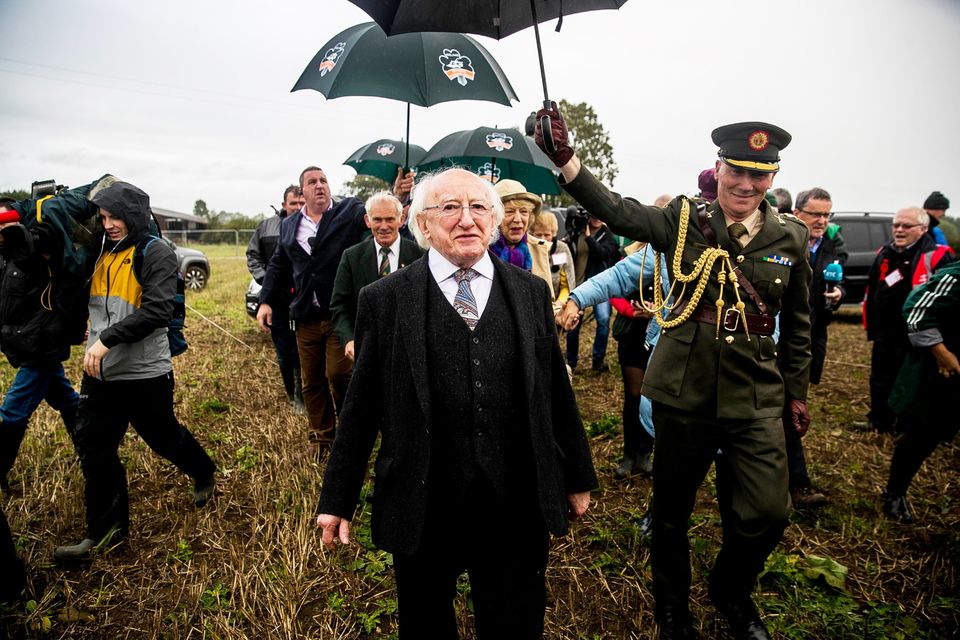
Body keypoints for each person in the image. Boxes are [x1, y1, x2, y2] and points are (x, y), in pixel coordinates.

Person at [535, 107, 812, 640]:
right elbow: (617, 211)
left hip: (755, 396)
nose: (747, 184)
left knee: (769, 512)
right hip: (684, 391)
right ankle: (671, 609)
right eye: (738, 171)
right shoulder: (685, 221)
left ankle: (731, 590)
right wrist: (566, 160)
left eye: (760, 175)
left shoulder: (791, 238)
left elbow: (797, 325)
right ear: (720, 168)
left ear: (773, 178)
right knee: (671, 512)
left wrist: (795, 395)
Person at [315, 168, 597, 639]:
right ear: (422, 224)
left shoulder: (528, 292)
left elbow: (553, 394)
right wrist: (337, 498)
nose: (467, 219)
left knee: (515, 620)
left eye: (479, 207)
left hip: (515, 498)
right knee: (425, 623)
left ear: (493, 219)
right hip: (424, 499)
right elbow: (361, 407)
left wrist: (576, 476)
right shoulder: (383, 300)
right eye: (449, 207)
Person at [55, 181, 216, 561]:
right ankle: (105, 531)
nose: (108, 224)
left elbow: (158, 310)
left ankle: (203, 470)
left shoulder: (154, 252)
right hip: (101, 373)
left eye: (115, 217)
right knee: (94, 448)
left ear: (134, 216)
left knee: (163, 437)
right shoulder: (98, 251)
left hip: (144, 373)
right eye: (104, 217)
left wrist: (107, 338)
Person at [257, 166, 367, 458]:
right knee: (312, 382)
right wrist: (265, 301)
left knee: (339, 374)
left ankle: (350, 432)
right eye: (312, 182)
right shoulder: (291, 224)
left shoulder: (350, 212)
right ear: (301, 191)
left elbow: (383, 218)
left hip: (339, 313)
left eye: (323, 181)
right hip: (305, 315)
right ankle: (322, 438)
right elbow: (279, 264)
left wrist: (400, 193)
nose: (319, 186)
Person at [558, 241, 668, 480]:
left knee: (654, 396)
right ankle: (629, 454)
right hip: (632, 332)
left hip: (662, 333)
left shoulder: (680, 253)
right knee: (634, 394)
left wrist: (657, 311)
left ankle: (645, 454)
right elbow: (616, 286)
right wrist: (630, 310)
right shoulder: (630, 254)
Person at [0, 203, 81, 492]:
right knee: (67, 399)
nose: (2, 229)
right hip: (26, 344)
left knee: (12, 411)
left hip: (40, 347)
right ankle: (92, 454)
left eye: (6, 221)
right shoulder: (6, 257)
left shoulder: (36, 251)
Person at [862, 206, 954, 434]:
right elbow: (873, 289)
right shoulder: (885, 252)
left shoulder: (938, 255)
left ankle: (906, 427)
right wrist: (871, 326)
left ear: (923, 229)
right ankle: (879, 421)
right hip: (886, 332)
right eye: (896, 225)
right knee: (881, 378)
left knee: (910, 383)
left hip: (915, 334)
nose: (899, 230)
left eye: (906, 226)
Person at [882, 260, 960, 523]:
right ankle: (894, 492)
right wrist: (943, 354)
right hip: (944, 374)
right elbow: (916, 309)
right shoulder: (955, 276)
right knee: (922, 435)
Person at [786, 188, 848, 507]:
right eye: (816, 214)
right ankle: (798, 483)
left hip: (811, 336)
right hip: (780, 338)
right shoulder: (784, 240)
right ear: (799, 214)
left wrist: (838, 295)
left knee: (793, 405)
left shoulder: (833, 245)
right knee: (786, 408)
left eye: (827, 214)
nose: (823, 221)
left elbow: (840, 283)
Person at [330, 192, 424, 361]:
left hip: (408, 349)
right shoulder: (352, 257)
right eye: (377, 220)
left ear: (401, 219)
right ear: (367, 221)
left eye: (389, 219)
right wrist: (349, 340)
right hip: (365, 348)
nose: (384, 226)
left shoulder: (420, 255)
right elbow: (339, 305)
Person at [247, 185, 304, 412]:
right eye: (293, 204)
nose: (298, 208)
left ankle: (303, 394)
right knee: (283, 350)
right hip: (277, 301)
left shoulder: (314, 224)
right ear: (284, 205)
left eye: (301, 203)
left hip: (303, 300)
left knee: (302, 350)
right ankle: (292, 394)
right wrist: (267, 281)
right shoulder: (267, 227)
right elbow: (253, 255)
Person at [564, 209, 620, 372]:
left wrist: (589, 238)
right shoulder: (577, 231)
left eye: (600, 215)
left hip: (600, 286)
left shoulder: (608, 236)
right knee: (573, 323)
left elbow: (603, 254)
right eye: (593, 215)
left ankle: (597, 360)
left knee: (603, 320)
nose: (597, 219)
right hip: (578, 284)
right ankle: (571, 362)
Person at [528, 209, 576, 313]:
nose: (543, 238)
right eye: (538, 234)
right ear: (532, 233)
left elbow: (566, 284)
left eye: (547, 235)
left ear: (553, 234)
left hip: (556, 308)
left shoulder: (561, 249)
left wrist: (559, 303)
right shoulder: (527, 249)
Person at [490, 179, 537, 271]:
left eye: (524, 211)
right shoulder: (482, 250)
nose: (517, 219)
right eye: (509, 211)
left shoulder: (542, 249)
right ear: (494, 217)